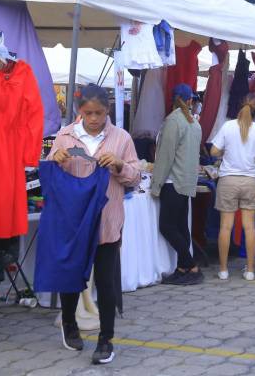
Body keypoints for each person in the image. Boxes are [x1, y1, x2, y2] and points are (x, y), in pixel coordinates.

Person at [49, 84, 141, 365]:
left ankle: (106, 339)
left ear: (108, 111)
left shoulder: (121, 138)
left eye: (99, 113)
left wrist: (119, 165)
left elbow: (136, 177)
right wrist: (56, 159)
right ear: (79, 111)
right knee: (71, 276)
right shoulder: (64, 137)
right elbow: (49, 173)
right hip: (73, 221)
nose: (93, 119)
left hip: (107, 220)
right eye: (88, 113)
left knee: (105, 279)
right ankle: (69, 325)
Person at [211, 93, 255, 281]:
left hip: (228, 180)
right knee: (249, 227)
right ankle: (250, 270)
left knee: (225, 227)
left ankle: (223, 270)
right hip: (250, 182)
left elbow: (213, 151)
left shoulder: (227, 127)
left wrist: (225, 151)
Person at [150, 84, 204, 286]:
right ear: (190, 100)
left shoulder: (173, 121)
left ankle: (190, 265)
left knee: (167, 226)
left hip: (172, 181)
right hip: (186, 180)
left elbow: (165, 156)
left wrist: (156, 185)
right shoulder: (194, 123)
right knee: (181, 226)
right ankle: (183, 266)